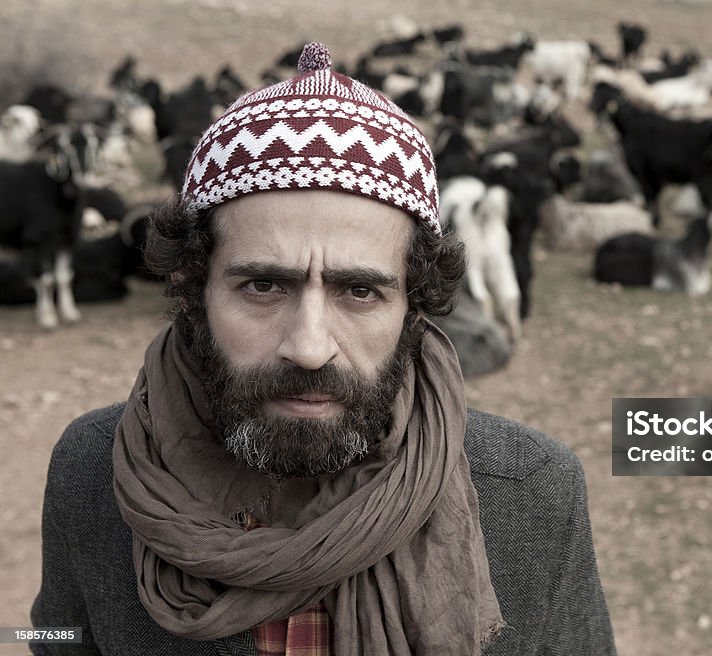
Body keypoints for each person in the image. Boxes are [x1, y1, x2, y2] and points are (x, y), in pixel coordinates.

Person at [31, 42, 615, 655]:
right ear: (192, 287)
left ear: (414, 306)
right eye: (263, 285)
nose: (310, 348)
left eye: (359, 291)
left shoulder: (529, 493)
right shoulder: (94, 471)